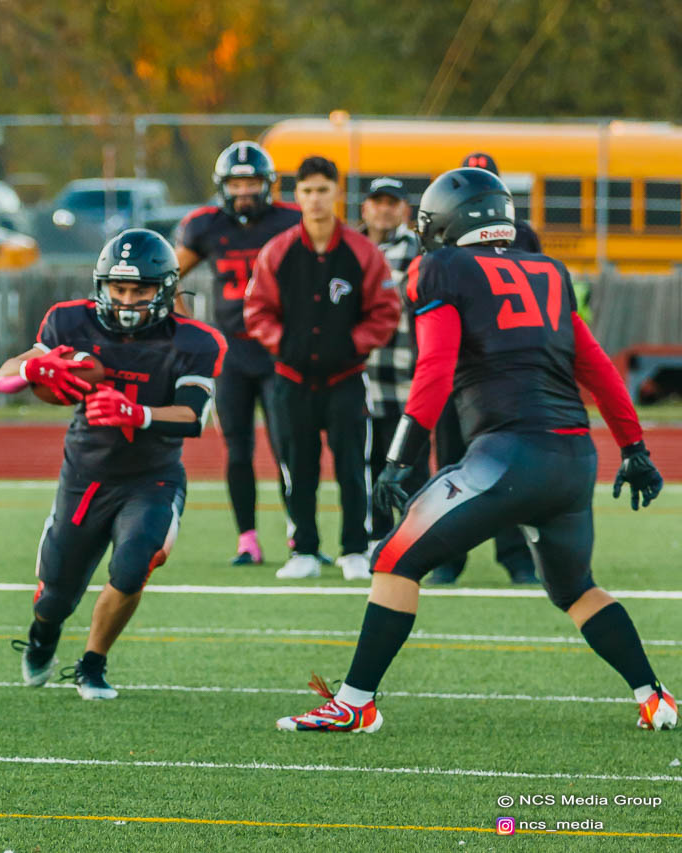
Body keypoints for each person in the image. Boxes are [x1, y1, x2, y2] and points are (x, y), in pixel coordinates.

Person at [277, 167, 674, 734]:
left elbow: (435, 369)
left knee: (392, 560)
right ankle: (654, 696)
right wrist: (634, 447)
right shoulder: (549, 270)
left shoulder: (441, 267)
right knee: (575, 589)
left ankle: (355, 703)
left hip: (507, 456)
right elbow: (597, 366)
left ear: (441, 223)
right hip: (572, 458)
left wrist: (398, 458)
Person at [0, 229, 225, 700]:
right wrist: (32, 368)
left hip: (151, 477)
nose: (127, 301)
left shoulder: (194, 341)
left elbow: (192, 417)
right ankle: (42, 636)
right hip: (86, 475)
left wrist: (136, 414)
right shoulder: (70, 321)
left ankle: (93, 662)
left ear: (166, 289)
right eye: (118, 289)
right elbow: (5, 378)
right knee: (55, 596)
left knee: (135, 562)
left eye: (140, 290)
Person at [245, 157, 400, 581]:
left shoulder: (362, 252)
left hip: (345, 380)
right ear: (296, 195)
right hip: (291, 380)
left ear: (337, 193)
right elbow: (257, 310)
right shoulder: (277, 251)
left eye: (323, 190)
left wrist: (353, 343)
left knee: (353, 467)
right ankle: (305, 550)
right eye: (308, 191)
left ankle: (355, 548)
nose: (315, 199)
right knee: (298, 467)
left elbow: (385, 311)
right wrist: (283, 343)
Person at [175, 141, 301, 565]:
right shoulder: (206, 226)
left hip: (279, 351)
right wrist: (191, 330)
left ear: (268, 185)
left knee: (288, 445)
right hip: (232, 355)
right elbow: (167, 276)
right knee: (238, 449)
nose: (244, 191)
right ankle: (247, 539)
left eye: (251, 182)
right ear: (223, 186)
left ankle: (298, 533)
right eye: (236, 183)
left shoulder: (291, 221)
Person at [426, 151, 546, 584]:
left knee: (507, 464)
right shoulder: (442, 233)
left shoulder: (522, 235)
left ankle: (515, 555)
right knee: (452, 463)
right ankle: (448, 555)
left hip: (503, 369)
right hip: (457, 364)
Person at [358, 177, 428, 549]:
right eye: (378, 202)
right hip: (361, 374)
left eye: (392, 203)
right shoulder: (349, 247)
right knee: (366, 460)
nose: (384, 210)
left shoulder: (419, 249)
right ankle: (375, 537)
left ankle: (416, 538)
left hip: (407, 375)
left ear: (405, 210)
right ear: (365, 208)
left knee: (411, 462)